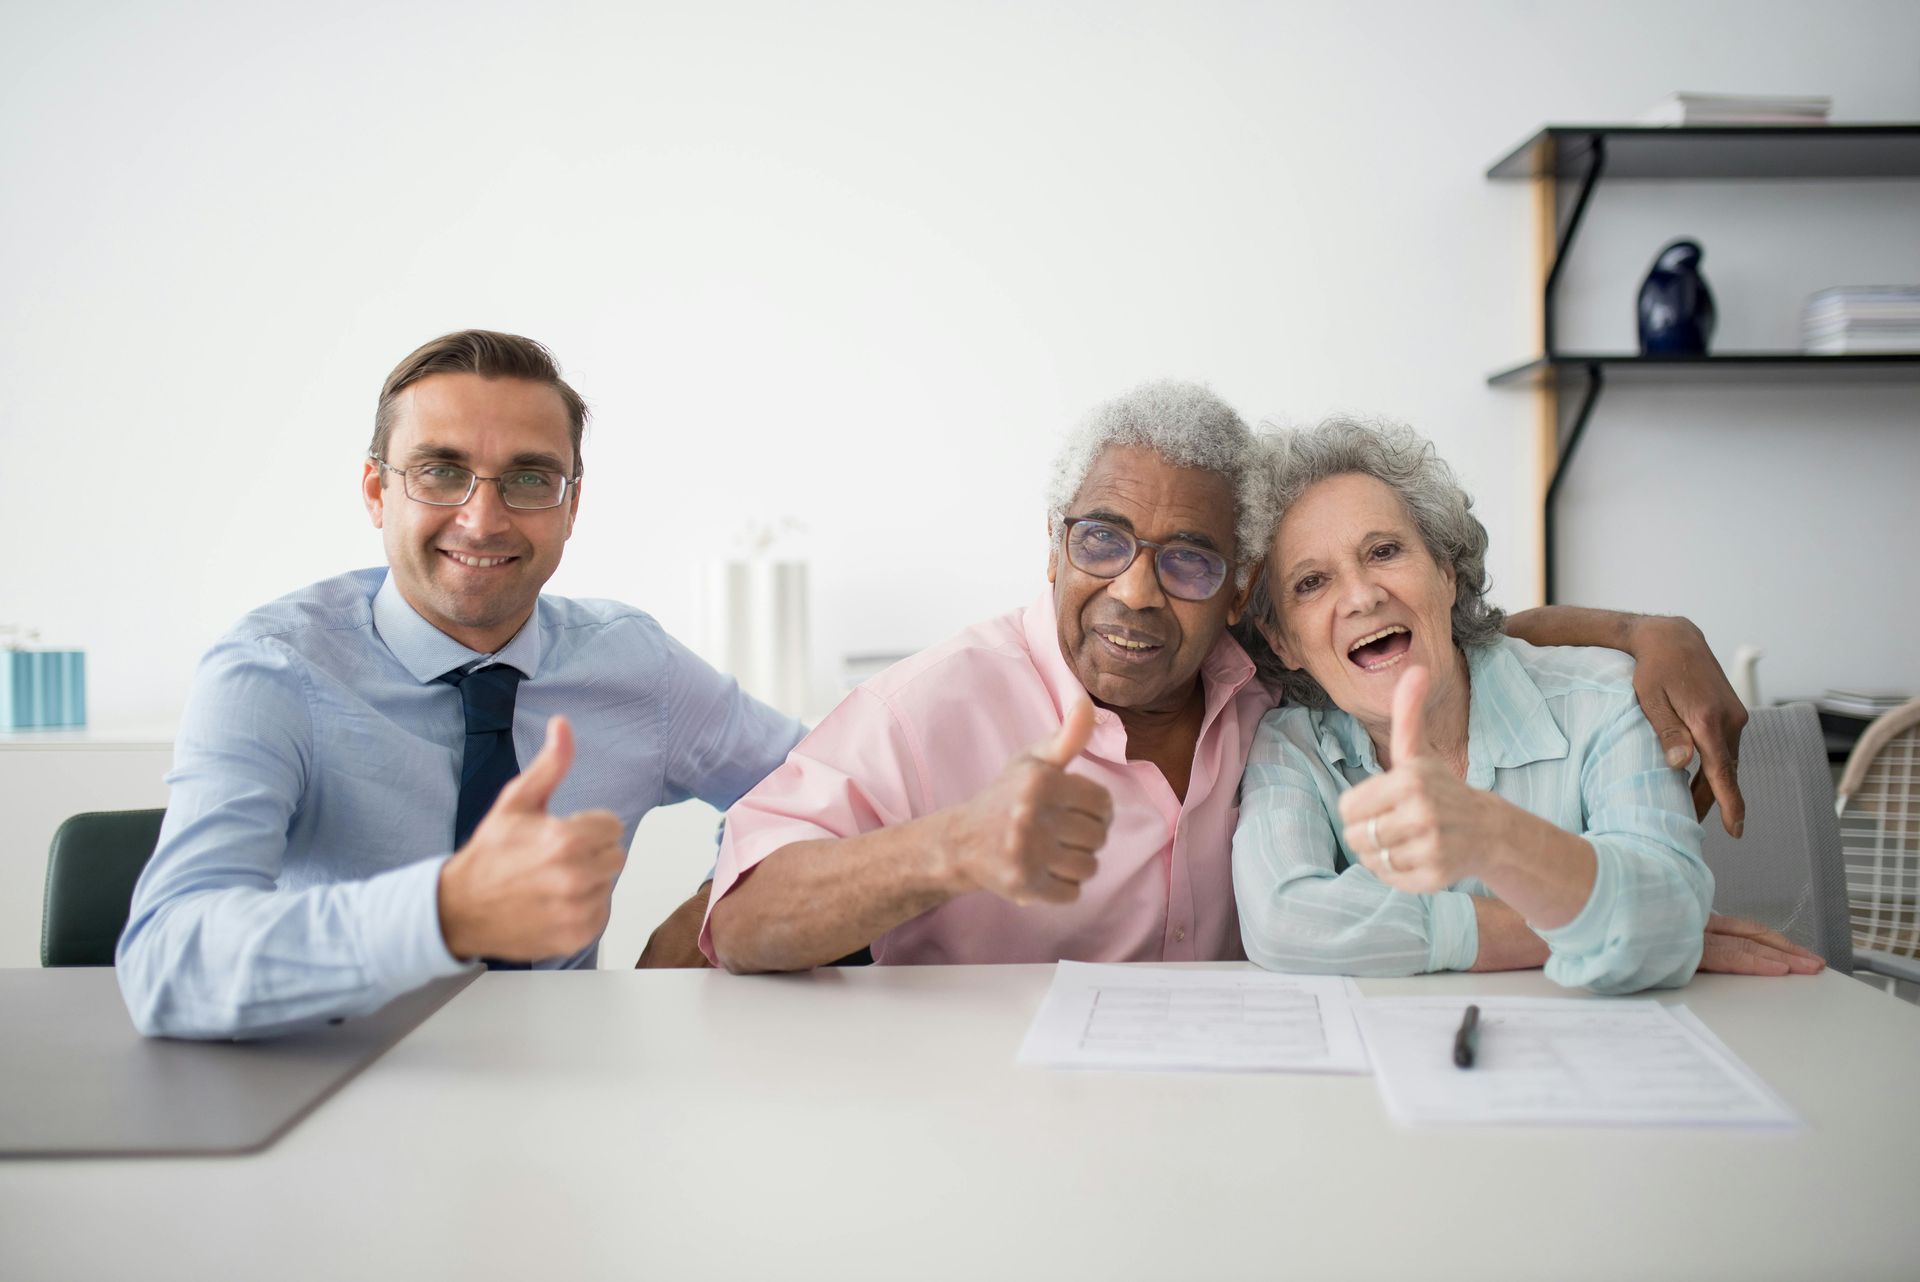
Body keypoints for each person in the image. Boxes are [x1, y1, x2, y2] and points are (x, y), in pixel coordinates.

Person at [701, 381, 1768, 973]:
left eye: (1187, 560)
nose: (1134, 594)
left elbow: (1443, 632)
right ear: (1052, 542)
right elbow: (742, 919)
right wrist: (953, 845)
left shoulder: (1255, 677)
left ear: (1237, 593)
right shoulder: (924, 706)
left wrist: (1642, 629)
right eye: (1101, 539)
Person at [117, 331, 806, 1039]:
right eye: (441, 472)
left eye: (530, 478)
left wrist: (710, 919)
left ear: (571, 506)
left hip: (570, 1092)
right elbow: (168, 963)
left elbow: (829, 788)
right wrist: (446, 912)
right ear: (376, 492)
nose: (482, 520)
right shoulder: (270, 671)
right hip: (329, 1090)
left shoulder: (636, 664)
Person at [1232, 417, 1826, 992]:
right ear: (1283, 641)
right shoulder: (1290, 746)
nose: (1361, 596)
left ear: (1446, 574)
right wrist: (1583, 930)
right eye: (1311, 583)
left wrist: (1493, 836)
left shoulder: (1604, 701)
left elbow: (1665, 912)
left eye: (1385, 551)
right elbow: (1284, 922)